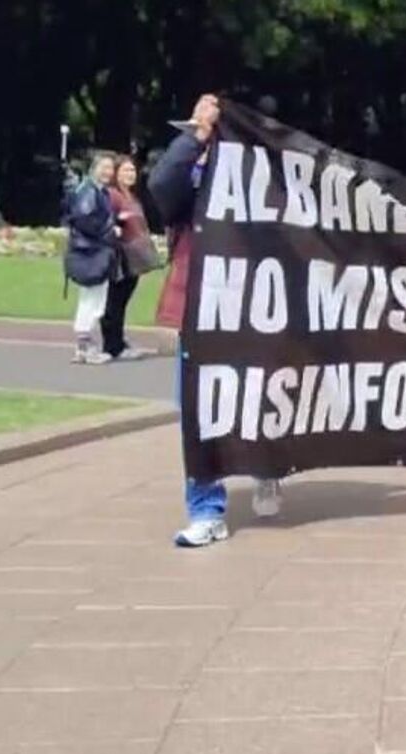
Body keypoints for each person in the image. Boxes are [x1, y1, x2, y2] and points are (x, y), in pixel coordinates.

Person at [151, 95, 283, 547]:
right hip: (200, 310)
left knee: (261, 398)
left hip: (257, 309)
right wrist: (198, 134)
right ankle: (206, 511)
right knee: (198, 413)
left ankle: (267, 466)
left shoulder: (264, 183)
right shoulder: (189, 181)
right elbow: (162, 183)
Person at [62, 153, 121, 365]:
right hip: (91, 252)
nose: (108, 172)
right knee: (93, 299)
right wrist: (110, 230)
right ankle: (85, 345)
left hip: (91, 250)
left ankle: (83, 346)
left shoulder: (96, 191)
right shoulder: (89, 191)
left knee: (91, 298)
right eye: (104, 167)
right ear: (93, 168)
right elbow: (85, 220)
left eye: (110, 168)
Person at [102, 155, 158, 361]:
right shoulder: (113, 195)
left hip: (134, 256)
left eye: (132, 170)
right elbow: (106, 221)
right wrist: (118, 224)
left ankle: (118, 341)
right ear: (116, 174)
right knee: (115, 300)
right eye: (125, 170)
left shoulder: (132, 197)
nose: (130, 174)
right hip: (120, 254)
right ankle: (112, 345)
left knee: (123, 300)